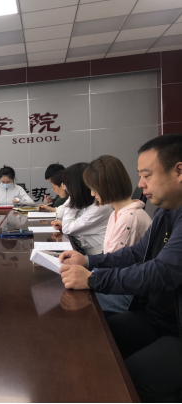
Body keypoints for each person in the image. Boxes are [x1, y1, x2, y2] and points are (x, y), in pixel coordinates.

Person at [59, 135, 182, 403]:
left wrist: (93, 280)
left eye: (146, 175)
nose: (141, 184)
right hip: (157, 316)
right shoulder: (166, 211)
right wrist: (89, 262)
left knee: (133, 378)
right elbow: (138, 253)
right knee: (99, 334)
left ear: (179, 171)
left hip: (176, 330)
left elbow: (163, 271)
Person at [83, 155, 153, 314]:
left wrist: (88, 274)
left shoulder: (129, 218)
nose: (92, 194)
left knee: (79, 304)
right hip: (119, 283)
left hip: (127, 294)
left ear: (106, 186)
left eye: (94, 188)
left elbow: (116, 267)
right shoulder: (117, 213)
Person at [52, 163, 113, 255]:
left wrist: (73, 198)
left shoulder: (100, 207)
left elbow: (67, 229)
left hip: (98, 256)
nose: (66, 188)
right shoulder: (88, 202)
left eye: (66, 185)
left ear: (76, 187)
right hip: (86, 251)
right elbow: (63, 218)